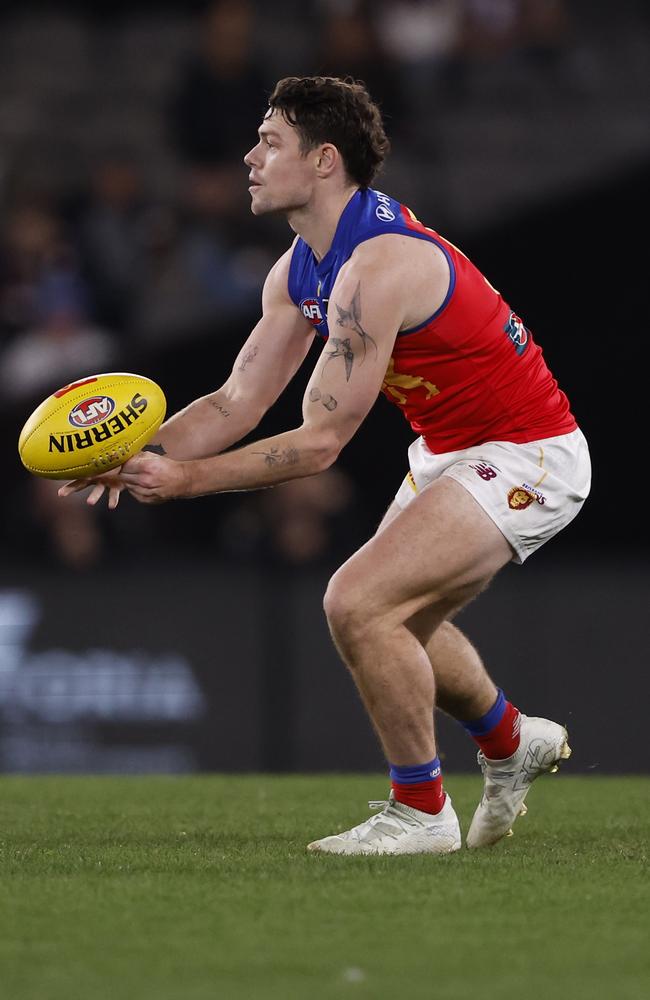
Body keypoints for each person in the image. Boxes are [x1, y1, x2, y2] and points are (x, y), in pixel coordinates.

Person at [59, 76, 591, 856]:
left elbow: (319, 443)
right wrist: (136, 456)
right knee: (399, 618)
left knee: (356, 603)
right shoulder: (300, 269)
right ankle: (512, 743)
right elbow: (237, 398)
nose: (249, 157)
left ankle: (421, 813)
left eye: (270, 142)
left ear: (324, 161)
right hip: (450, 450)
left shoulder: (377, 265)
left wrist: (188, 482)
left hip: (527, 453)